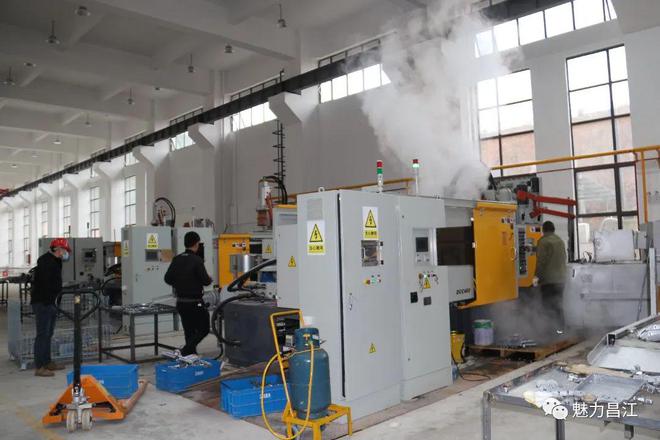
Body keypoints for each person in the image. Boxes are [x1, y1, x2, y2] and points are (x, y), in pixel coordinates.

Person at [164, 231, 213, 356]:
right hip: (195, 303)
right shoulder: (197, 260)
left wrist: (180, 282)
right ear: (196, 244)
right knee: (204, 329)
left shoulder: (177, 259)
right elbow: (206, 281)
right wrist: (209, 278)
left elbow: (167, 279)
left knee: (189, 331)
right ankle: (185, 351)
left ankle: (190, 357)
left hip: (181, 303)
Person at [31, 238, 70, 377]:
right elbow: (46, 284)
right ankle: (39, 367)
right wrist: (50, 301)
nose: (65, 253)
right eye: (64, 250)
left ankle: (47, 362)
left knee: (48, 334)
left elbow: (54, 282)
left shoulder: (55, 261)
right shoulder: (46, 261)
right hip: (43, 303)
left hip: (51, 303)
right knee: (42, 335)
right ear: (58, 249)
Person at [534, 221, 568, 330]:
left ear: (543, 230)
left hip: (548, 280)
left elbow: (541, 262)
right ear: (553, 229)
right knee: (558, 305)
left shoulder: (543, 241)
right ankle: (560, 331)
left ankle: (550, 332)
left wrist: (536, 277)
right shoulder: (560, 241)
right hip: (561, 279)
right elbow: (563, 258)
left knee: (548, 306)